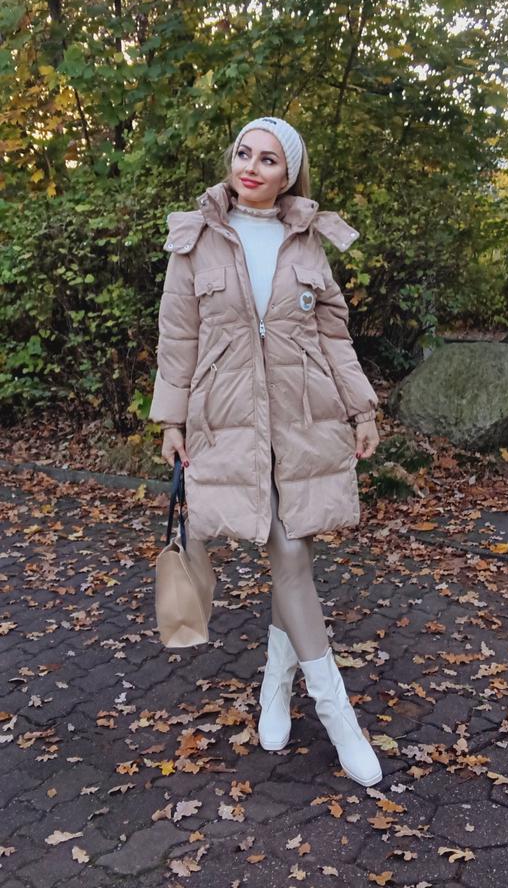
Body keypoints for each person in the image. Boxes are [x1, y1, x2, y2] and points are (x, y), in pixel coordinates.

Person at [148, 116, 382, 787]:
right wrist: (170, 420)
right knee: (288, 555)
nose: (250, 166)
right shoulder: (194, 239)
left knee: (291, 551)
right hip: (226, 419)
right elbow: (177, 336)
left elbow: (334, 335)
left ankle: (289, 692)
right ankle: (331, 711)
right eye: (243, 153)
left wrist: (362, 407)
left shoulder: (306, 238)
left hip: (303, 417)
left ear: (289, 174)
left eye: (268, 159)